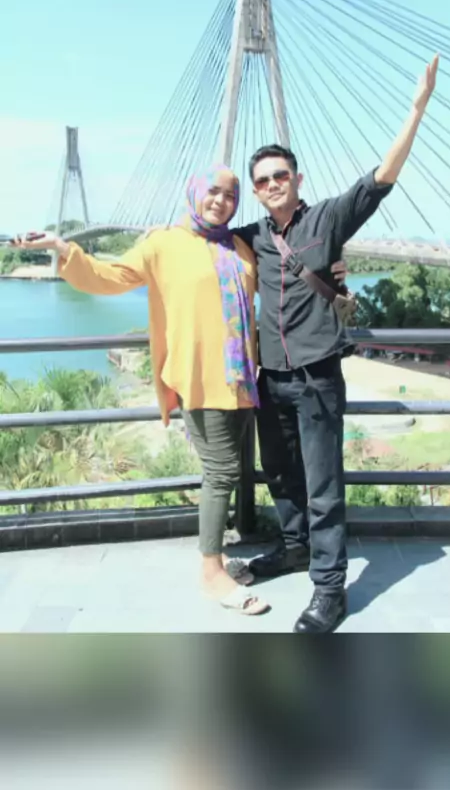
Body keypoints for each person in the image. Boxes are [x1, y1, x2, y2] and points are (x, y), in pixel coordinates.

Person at [234, 54, 439, 633]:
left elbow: (381, 180)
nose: (272, 185)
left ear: (297, 179)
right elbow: (199, 234)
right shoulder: (252, 236)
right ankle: (294, 546)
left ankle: (329, 590)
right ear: (256, 191)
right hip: (271, 378)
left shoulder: (326, 220)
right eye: (262, 181)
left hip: (316, 377)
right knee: (280, 474)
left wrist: (417, 108)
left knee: (323, 486)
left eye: (280, 176)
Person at [12, 166, 270, 616]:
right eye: (212, 191)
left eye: (230, 195)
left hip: (242, 379)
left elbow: (278, 283)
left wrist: (334, 272)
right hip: (199, 378)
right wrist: (62, 247)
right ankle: (211, 571)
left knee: (227, 470)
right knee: (222, 471)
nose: (220, 201)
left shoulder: (238, 246)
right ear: (194, 192)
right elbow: (107, 277)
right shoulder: (163, 243)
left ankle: (217, 558)